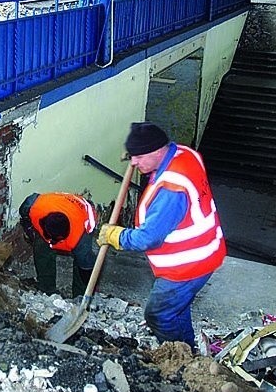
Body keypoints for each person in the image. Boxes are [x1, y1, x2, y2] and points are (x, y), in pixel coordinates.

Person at [97, 122, 226, 350]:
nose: (133, 163)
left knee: (159, 315)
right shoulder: (185, 154)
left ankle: (180, 358)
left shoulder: (171, 191)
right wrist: (138, 153)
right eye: (131, 156)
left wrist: (116, 235)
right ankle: (189, 348)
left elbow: (148, 238)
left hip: (186, 266)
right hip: (207, 250)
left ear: (157, 151)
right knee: (177, 308)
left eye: (138, 157)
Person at [19, 192, 97, 297]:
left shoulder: (80, 239)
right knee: (41, 247)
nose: (52, 242)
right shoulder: (33, 208)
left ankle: (80, 296)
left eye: (55, 240)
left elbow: (87, 268)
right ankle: (46, 287)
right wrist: (28, 227)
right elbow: (27, 206)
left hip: (83, 212)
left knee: (82, 262)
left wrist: (88, 286)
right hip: (56, 203)